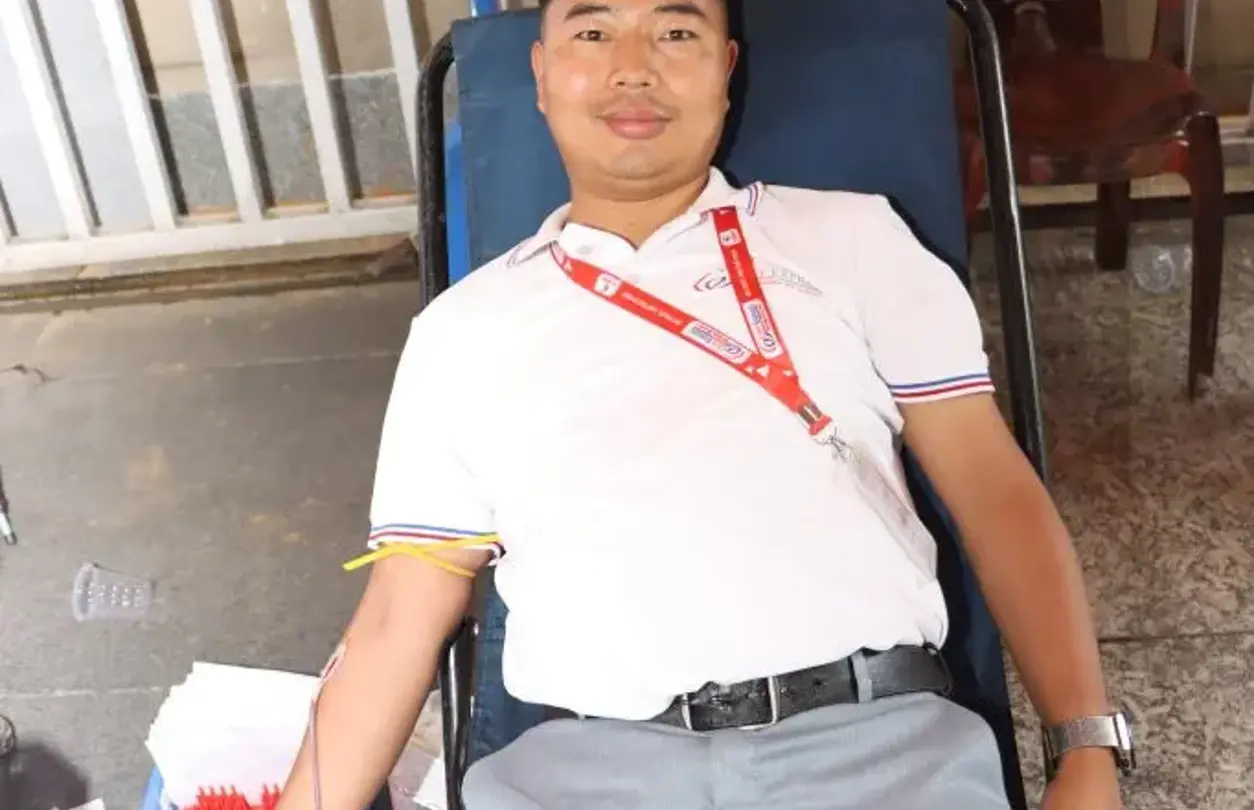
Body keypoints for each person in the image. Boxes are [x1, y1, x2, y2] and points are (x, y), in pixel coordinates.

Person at [275, 1, 1129, 808]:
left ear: (726, 69)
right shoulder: (462, 332)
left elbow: (993, 491)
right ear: (540, 74)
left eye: (676, 33)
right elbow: (397, 617)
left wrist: (1087, 748)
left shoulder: (855, 241)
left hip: (879, 754)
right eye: (594, 32)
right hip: (585, 776)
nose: (633, 67)